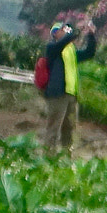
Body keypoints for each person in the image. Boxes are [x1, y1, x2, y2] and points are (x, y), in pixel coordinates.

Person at [40, 18, 96, 155]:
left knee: (69, 129)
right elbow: (65, 40)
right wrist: (76, 31)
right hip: (57, 94)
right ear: (55, 33)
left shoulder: (71, 51)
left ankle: (66, 156)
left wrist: (91, 36)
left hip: (71, 94)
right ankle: (48, 155)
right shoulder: (53, 48)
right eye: (62, 30)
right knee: (54, 128)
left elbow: (89, 53)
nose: (65, 32)